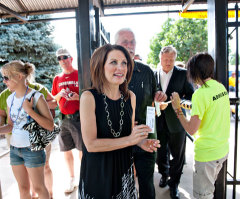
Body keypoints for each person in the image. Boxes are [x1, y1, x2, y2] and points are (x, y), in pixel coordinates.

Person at [79, 44, 160, 199]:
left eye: (124, 63)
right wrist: (130, 140)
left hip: (124, 170)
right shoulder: (88, 97)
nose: (121, 68)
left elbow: (128, 133)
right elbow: (91, 145)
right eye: (113, 62)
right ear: (99, 66)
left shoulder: (131, 97)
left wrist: (141, 142)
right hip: (99, 172)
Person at [115, 28, 167, 199]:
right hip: (120, 139)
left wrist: (160, 96)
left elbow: (157, 96)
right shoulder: (109, 72)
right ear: (116, 45)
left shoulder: (146, 71)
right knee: (121, 185)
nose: (129, 45)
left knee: (146, 184)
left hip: (146, 136)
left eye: (132, 42)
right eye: (125, 41)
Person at [171, 52, 230, 199]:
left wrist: (178, 109)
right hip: (221, 150)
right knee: (209, 191)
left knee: (203, 195)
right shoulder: (220, 87)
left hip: (207, 155)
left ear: (194, 71)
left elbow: (191, 129)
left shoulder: (200, 94)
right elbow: (209, 109)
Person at [0, 60, 54, 199]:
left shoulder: (37, 96)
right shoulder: (9, 99)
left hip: (33, 149)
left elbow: (50, 125)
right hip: (15, 149)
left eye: (6, 77)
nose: (4, 81)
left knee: (39, 188)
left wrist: (30, 111)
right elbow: (11, 126)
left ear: (19, 76)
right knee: (23, 189)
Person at [155, 46, 194, 199]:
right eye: (165, 59)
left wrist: (177, 101)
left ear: (175, 59)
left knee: (177, 156)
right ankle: (164, 175)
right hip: (159, 120)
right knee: (160, 153)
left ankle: (174, 184)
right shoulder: (153, 74)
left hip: (177, 122)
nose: (168, 62)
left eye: (171, 59)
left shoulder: (183, 74)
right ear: (160, 58)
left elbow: (191, 97)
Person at [51, 48, 82, 194]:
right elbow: (52, 100)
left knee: (82, 150)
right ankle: (71, 178)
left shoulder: (80, 74)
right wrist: (60, 95)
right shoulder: (57, 78)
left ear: (71, 58)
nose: (62, 60)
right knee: (66, 150)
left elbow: (91, 96)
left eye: (65, 57)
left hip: (79, 118)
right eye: (59, 58)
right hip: (63, 119)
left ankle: (84, 178)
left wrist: (77, 97)